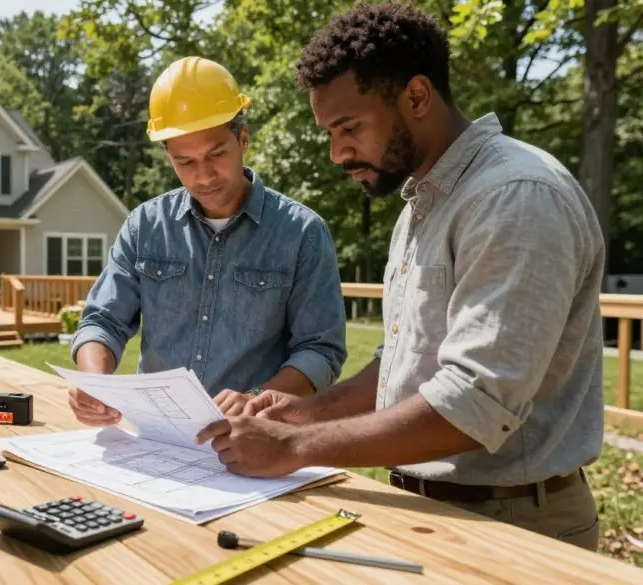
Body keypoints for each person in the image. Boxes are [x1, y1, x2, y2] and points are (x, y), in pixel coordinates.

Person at [195, 2, 605, 551]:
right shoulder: (422, 202)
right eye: (329, 132)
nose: (338, 152)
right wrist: (306, 411)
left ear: (416, 97)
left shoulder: (515, 197)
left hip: (515, 525)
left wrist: (295, 447)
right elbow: (405, 359)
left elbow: (474, 403)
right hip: (425, 509)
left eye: (348, 127)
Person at [67, 56, 348, 425]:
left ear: (242, 139)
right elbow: (103, 321)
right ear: (169, 157)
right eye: (185, 162)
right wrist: (94, 381)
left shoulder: (302, 233)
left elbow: (320, 350)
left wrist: (256, 399)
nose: (204, 177)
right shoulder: (144, 227)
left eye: (216, 154)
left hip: (254, 441)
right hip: (158, 438)